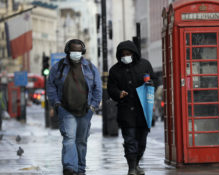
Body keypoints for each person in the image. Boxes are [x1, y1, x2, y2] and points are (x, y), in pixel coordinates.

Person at [47, 39, 102, 175]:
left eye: (78, 51)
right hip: (66, 109)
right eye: (73, 50)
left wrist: (93, 107)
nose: (76, 53)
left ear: (82, 52)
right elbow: (50, 85)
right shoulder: (58, 67)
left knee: (81, 141)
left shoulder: (90, 67)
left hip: (85, 110)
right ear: (67, 51)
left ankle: (80, 168)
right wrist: (57, 104)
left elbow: (98, 88)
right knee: (69, 138)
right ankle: (69, 167)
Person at [108, 40, 155, 175]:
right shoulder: (115, 70)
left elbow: (155, 79)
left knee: (142, 142)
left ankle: (137, 163)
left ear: (134, 53)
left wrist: (151, 83)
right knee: (129, 140)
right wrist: (118, 93)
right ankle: (132, 168)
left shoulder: (145, 65)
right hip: (125, 110)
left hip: (143, 110)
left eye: (128, 53)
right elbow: (111, 88)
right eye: (123, 54)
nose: (126, 56)